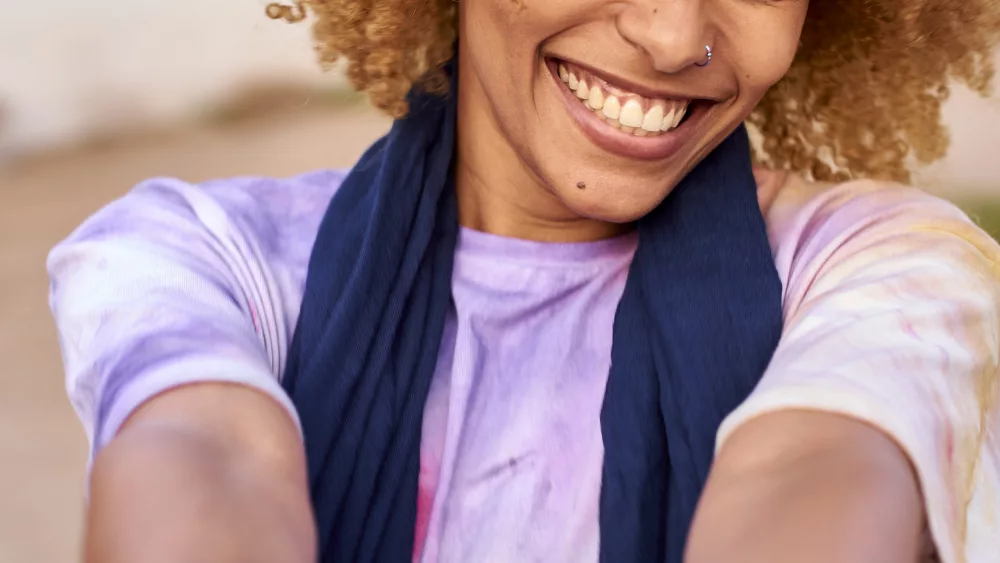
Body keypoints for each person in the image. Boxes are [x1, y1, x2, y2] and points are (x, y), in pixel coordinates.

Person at [47, 0, 1000, 562]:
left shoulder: (880, 268)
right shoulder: (195, 259)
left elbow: (814, 469)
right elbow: (213, 460)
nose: (672, 34)